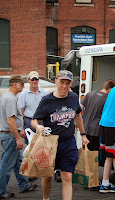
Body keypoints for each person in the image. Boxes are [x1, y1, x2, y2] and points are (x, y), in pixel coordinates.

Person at [31, 70, 89, 200]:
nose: (64, 86)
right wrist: (39, 126)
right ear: (56, 81)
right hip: (50, 144)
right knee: (47, 177)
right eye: (61, 82)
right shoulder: (47, 100)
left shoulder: (73, 97)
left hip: (68, 143)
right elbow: (34, 120)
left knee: (67, 177)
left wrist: (83, 135)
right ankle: (45, 198)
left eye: (67, 83)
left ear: (71, 84)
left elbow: (78, 115)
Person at [0, 75, 37, 200]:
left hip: (8, 135)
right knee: (6, 165)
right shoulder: (11, 99)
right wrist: (17, 138)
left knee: (18, 162)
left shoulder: (6, 96)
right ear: (15, 84)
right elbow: (10, 120)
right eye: (22, 84)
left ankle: (24, 185)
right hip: (10, 136)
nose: (23, 86)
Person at [80, 79, 115, 152]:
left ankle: (85, 163)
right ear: (110, 89)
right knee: (94, 153)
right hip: (96, 130)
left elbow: (80, 107)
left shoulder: (90, 94)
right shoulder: (107, 99)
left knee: (86, 150)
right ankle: (93, 164)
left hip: (85, 128)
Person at [18, 71, 49, 143]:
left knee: (42, 146)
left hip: (41, 123)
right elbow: (20, 113)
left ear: (38, 80)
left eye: (36, 79)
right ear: (29, 80)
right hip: (28, 122)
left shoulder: (45, 93)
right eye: (32, 79)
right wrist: (21, 128)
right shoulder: (23, 94)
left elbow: (48, 110)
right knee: (30, 147)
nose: (34, 81)